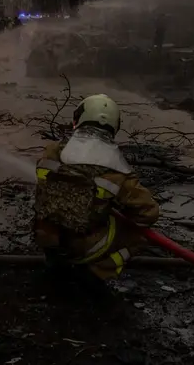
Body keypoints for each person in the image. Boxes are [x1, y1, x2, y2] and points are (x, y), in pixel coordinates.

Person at [33, 94, 160, 289]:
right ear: (114, 126)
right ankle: (99, 271)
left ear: (78, 119)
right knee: (139, 236)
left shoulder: (52, 150)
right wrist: (108, 207)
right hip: (83, 246)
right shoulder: (118, 170)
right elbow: (148, 213)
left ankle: (54, 262)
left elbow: (46, 184)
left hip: (46, 237)